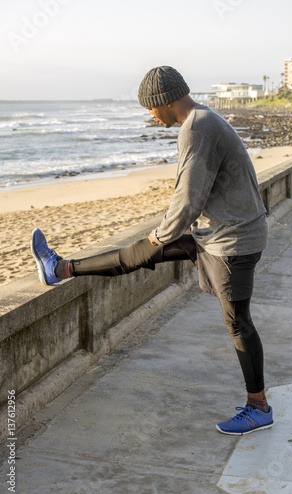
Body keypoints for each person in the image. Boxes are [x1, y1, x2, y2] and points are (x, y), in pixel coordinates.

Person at [31, 66, 273, 436]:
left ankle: (259, 407)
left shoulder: (198, 127)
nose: (150, 115)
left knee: (238, 322)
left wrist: (161, 235)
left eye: (150, 108)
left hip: (233, 240)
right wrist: (159, 239)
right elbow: (196, 192)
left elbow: (188, 197)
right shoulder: (201, 120)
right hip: (218, 232)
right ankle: (59, 268)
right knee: (139, 254)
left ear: (166, 101)